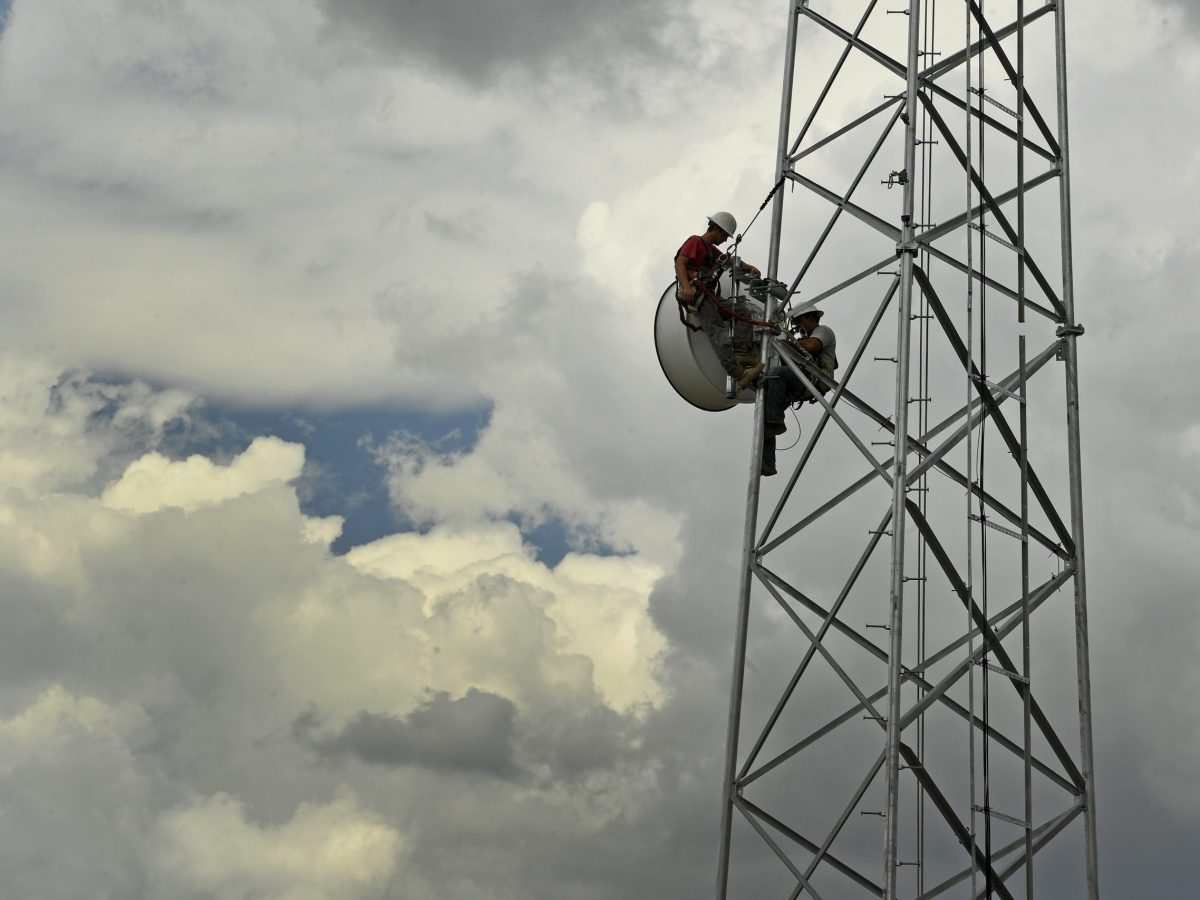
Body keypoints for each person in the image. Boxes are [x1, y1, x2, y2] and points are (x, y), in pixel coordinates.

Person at [674, 212, 764, 391]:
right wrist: (687, 286)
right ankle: (738, 372)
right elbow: (680, 264)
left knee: (742, 311)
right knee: (717, 331)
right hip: (699, 294)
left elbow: (728, 260)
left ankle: (742, 353)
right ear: (716, 229)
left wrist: (748, 267)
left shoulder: (711, 250)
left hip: (710, 294)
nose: (724, 240)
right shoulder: (695, 242)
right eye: (724, 235)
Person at [761, 307, 837, 476]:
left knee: (776, 374)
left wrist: (781, 340)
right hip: (799, 382)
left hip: (814, 379)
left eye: (799, 321)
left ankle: (775, 423)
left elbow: (811, 346)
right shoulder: (803, 338)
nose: (797, 326)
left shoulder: (823, 331)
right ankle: (768, 462)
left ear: (810, 317)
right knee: (764, 413)